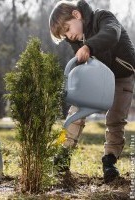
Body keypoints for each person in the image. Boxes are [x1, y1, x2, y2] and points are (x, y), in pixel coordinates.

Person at [49, 0, 135, 183]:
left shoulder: (102, 17)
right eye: (64, 35)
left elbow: (112, 33)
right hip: (97, 78)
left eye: (67, 29)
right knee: (77, 111)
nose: (68, 36)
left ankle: (110, 162)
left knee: (116, 119)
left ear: (76, 15)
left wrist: (89, 47)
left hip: (122, 76)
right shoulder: (75, 39)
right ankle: (63, 155)